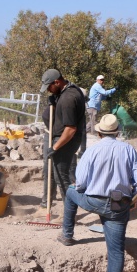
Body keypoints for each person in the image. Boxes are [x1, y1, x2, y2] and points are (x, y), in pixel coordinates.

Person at [57, 114, 137, 272]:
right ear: (117, 132)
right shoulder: (128, 149)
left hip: (94, 201)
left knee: (71, 192)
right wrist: (134, 199)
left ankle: (67, 235)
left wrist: (86, 189)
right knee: (116, 251)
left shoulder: (92, 150)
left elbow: (80, 182)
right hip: (119, 205)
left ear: (98, 132)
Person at [40, 69, 86, 199]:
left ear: (57, 82)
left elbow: (70, 129)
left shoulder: (68, 99)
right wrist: (54, 101)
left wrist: (55, 147)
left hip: (66, 140)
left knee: (61, 175)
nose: (48, 90)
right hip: (60, 137)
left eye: (49, 87)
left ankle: (69, 213)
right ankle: (51, 204)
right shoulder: (67, 90)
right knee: (55, 173)